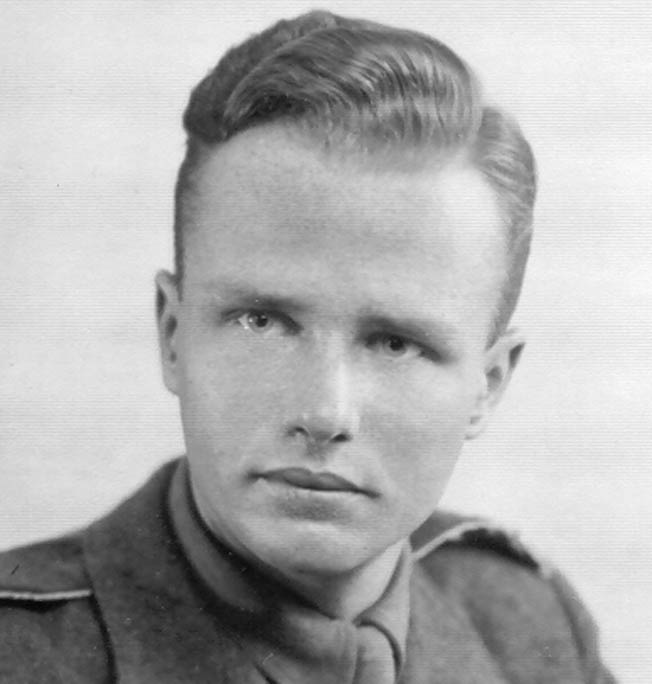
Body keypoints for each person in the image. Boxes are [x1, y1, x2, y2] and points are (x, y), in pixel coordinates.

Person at [0, 9, 616, 683]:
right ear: (173, 336)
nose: (326, 412)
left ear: (488, 386)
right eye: (262, 322)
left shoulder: (530, 625)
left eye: (396, 343)